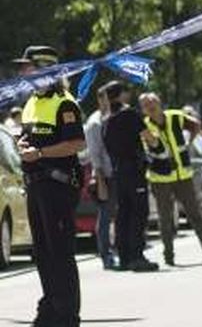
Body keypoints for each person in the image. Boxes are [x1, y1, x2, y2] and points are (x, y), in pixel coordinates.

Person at [13, 46, 86, 327]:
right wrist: (22, 144)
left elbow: (77, 143)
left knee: (60, 252)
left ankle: (67, 315)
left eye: (28, 67)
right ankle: (50, 308)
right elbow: (29, 137)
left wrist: (41, 153)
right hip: (35, 186)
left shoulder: (64, 103)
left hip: (57, 185)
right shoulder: (31, 102)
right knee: (43, 252)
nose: (23, 72)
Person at [138, 92, 202, 266]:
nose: (150, 106)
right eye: (146, 105)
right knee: (165, 218)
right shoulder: (144, 126)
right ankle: (169, 256)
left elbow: (196, 125)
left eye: (152, 102)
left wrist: (189, 142)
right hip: (160, 178)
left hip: (182, 175)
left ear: (159, 102)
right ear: (143, 110)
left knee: (195, 215)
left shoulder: (174, 116)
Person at [101, 81, 158, 272]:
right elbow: (150, 138)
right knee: (139, 212)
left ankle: (124, 257)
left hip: (118, 172)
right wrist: (156, 143)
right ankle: (137, 256)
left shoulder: (106, 120)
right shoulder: (130, 114)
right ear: (121, 94)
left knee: (123, 214)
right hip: (134, 170)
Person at [83, 86, 116, 269]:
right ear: (100, 100)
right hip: (104, 175)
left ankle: (117, 252)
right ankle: (106, 255)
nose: (109, 101)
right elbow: (95, 154)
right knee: (104, 217)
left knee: (115, 216)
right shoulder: (94, 123)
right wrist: (100, 181)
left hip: (115, 173)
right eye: (105, 98)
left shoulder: (111, 118)